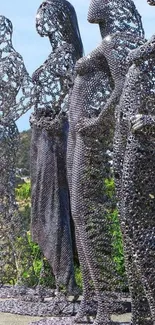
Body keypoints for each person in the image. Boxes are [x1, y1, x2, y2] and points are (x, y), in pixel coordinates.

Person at [67, 0, 145, 324]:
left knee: (88, 214)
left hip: (91, 138)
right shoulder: (106, 41)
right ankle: (93, 301)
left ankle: (106, 305)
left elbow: (122, 87)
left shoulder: (116, 41)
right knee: (79, 215)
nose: (90, 3)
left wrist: (99, 123)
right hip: (78, 135)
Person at [30, 0, 83, 295]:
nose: (41, 23)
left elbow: (71, 100)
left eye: (46, 17)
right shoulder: (62, 55)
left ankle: (67, 282)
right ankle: (62, 280)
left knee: (54, 206)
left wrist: (52, 120)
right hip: (45, 138)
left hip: (53, 140)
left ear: (59, 19)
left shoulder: (67, 57)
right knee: (48, 205)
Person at [115, 0, 155, 322]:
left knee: (137, 227)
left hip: (146, 145)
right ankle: (141, 315)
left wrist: (152, 120)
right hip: (131, 147)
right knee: (131, 230)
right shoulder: (144, 50)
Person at [0, 15, 33, 282]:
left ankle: (21, 272)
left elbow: (29, 92)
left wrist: (8, 115)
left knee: (6, 197)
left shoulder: (11, 60)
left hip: (5, 133)